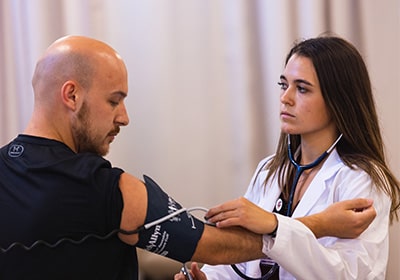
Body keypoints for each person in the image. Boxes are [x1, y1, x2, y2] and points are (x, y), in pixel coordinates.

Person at [0, 35, 376, 280]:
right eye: (115, 100)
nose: (124, 117)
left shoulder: (362, 179)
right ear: (71, 95)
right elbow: (216, 247)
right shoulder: (109, 189)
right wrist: (317, 224)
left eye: (302, 88)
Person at [175, 36, 400, 280]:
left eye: (302, 88)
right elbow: (246, 262)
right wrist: (208, 278)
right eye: (284, 85)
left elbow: (350, 274)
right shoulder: (270, 170)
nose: (286, 98)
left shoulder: (362, 179)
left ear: (338, 100)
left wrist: (275, 225)